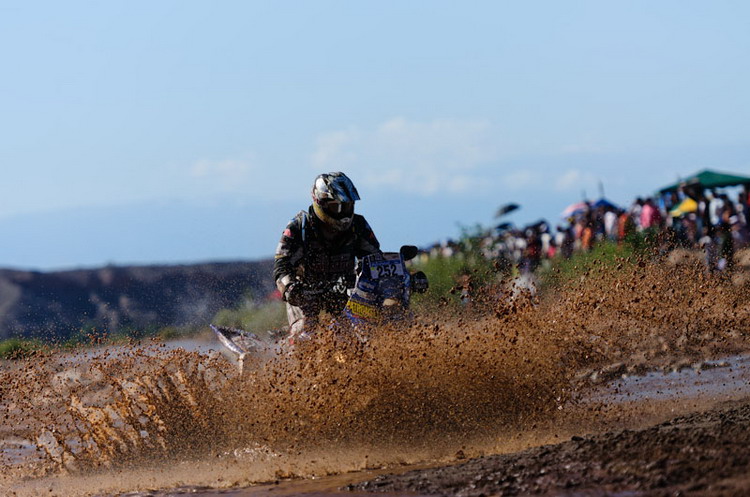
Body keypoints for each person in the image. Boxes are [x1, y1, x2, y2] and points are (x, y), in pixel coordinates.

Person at [273, 172, 381, 343]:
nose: (343, 214)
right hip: (306, 296)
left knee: (365, 333)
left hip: (346, 295)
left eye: (347, 206)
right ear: (319, 204)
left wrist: (402, 278)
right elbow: (282, 264)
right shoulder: (299, 227)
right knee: (304, 336)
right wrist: (291, 288)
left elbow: (376, 260)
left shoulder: (358, 226)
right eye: (336, 207)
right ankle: (288, 362)